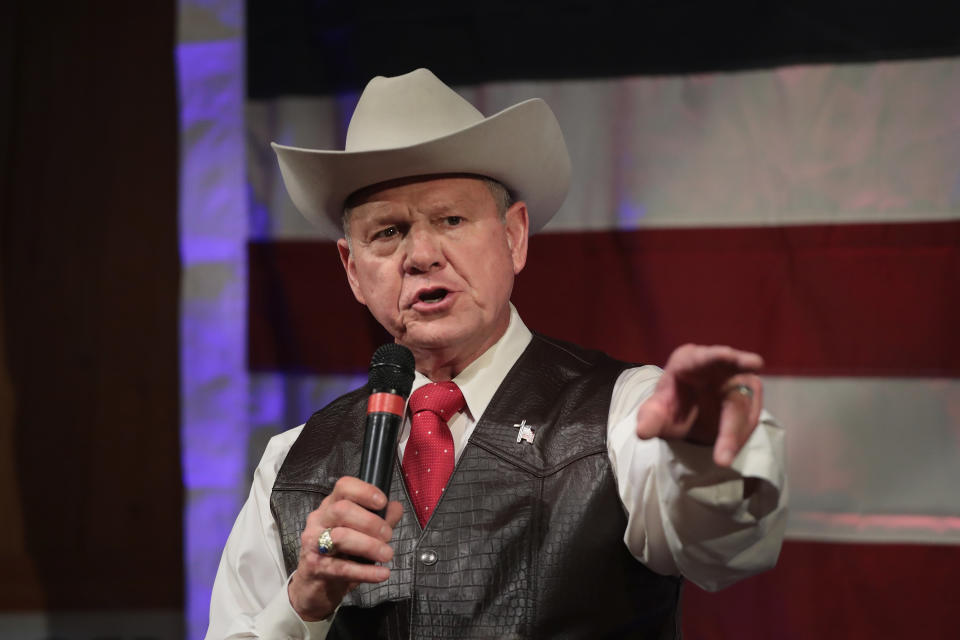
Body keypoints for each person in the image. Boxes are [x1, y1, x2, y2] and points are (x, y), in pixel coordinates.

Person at [206, 68, 787, 639]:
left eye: (451, 219)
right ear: (352, 271)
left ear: (514, 237)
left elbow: (722, 550)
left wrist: (704, 459)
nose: (421, 254)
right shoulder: (295, 464)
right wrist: (302, 602)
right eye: (387, 233)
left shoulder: (624, 409)